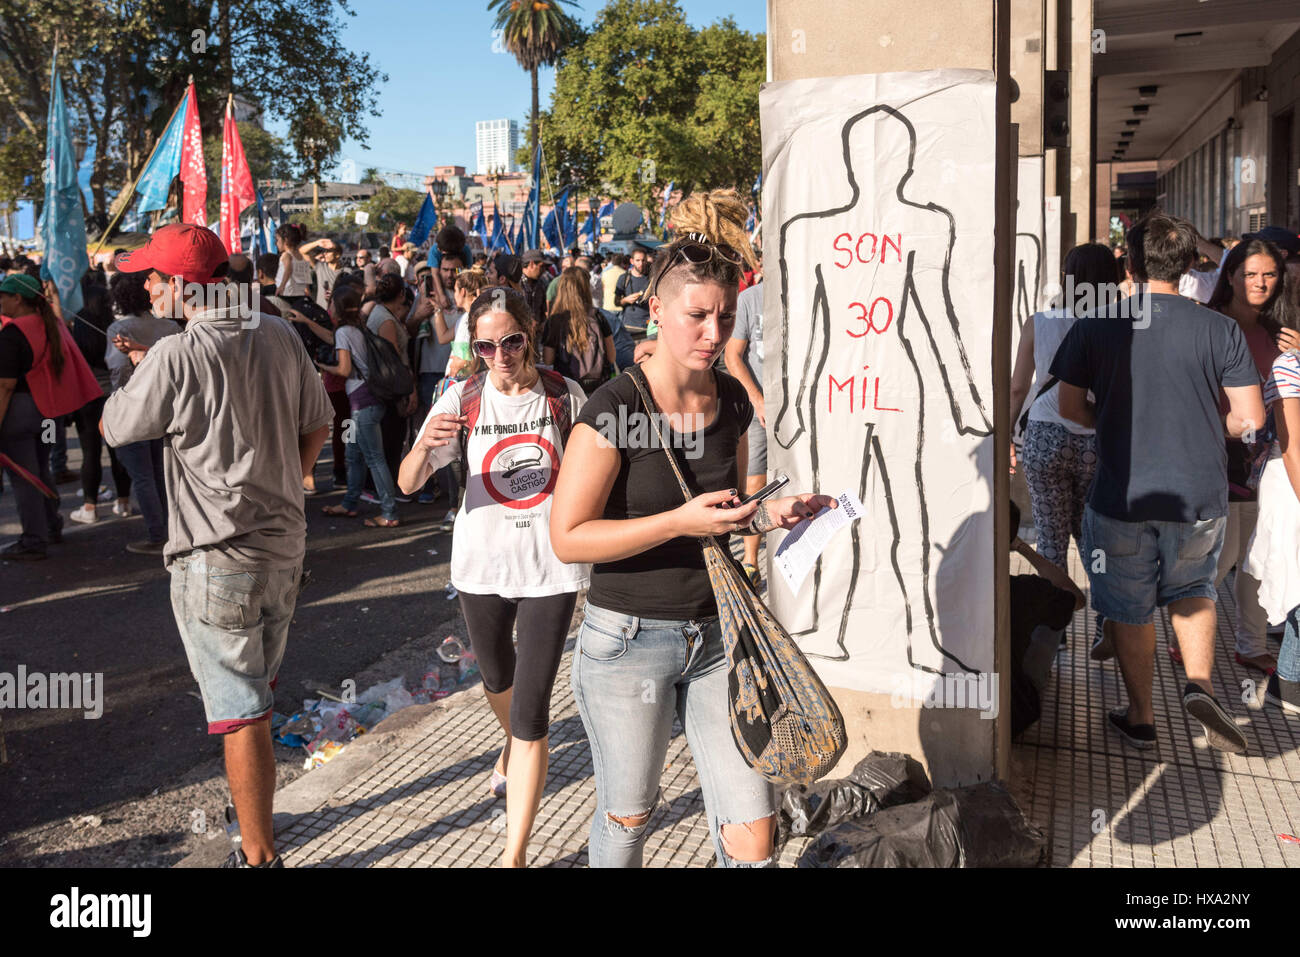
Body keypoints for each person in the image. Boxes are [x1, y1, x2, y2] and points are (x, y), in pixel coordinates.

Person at [549, 188, 836, 868]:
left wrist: (770, 512)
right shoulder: (615, 407)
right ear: (656, 310)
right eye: (698, 315)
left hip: (719, 637)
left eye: (726, 316)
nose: (714, 332)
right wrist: (677, 519)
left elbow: (729, 506)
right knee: (629, 815)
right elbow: (568, 536)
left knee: (753, 827)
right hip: (626, 642)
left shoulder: (732, 398)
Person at [102, 224, 331, 867]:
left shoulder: (179, 354)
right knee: (256, 695)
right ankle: (255, 812)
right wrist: (289, 478)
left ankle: (257, 853)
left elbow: (114, 426)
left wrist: (144, 367)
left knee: (241, 710)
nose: (144, 286)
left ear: (180, 287)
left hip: (218, 556)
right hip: (284, 545)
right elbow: (317, 422)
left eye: (151, 277)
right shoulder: (278, 333)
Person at [1051, 213, 1265, 754]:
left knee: (1127, 606)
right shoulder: (1221, 329)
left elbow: (1068, 407)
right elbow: (1249, 418)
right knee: (1194, 589)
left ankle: (1142, 717)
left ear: (1133, 264)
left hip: (1122, 492)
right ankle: (1200, 686)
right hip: (1200, 492)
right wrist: (1205, 426)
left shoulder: (1096, 325)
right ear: (1192, 264)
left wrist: (1111, 421)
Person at [398, 286, 588, 868]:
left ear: (530, 335)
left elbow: (596, 473)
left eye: (511, 341)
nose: (500, 355)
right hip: (480, 565)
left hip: (550, 569)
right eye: (486, 346)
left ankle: (515, 854)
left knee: (531, 716)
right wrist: (424, 447)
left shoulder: (564, 395)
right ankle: (510, 744)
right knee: (495, 679)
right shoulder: (461, 398)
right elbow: (407, 484)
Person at [1195, 239, 1300, 674]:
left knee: (1256, 554)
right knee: (1223, 553)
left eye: (1269, 274)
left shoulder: (1282, 330)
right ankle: (1187, 631)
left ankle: (1252, 644)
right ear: (1231, 275)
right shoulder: (1208, 323)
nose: (1260, 283)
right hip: (1214, 451)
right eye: (1250, 274)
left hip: (1269, 458)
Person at [1008, 243, 1111, 570]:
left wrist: (1007, 437)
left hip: (1045, 438)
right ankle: (1107, 615)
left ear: (1067, 279)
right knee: (1095, 540)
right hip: (1099, 440)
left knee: (1051, 541)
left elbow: (1017, 388)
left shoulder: (1038, 322)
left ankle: (1053, 619)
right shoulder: (1122, 325)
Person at [0, 274, 102, 559]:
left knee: (25, 478)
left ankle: (34, 539)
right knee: (42, 468)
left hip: (20, 414)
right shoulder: (51, 323)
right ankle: (51, 525)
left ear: (17, 298)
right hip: (49, 415)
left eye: (2, 296)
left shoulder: (13, 333)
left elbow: (5, 386)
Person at [1241, 317, 1300, 714]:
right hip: (1291, 481)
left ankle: (1289, 681)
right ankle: (1289, 684)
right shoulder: (1288, 366)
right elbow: (1292, 444)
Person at [105, 271, 182, 551]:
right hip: (167, 405)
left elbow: (117, 370)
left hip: (134, 404)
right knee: (161, 471)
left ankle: (157, 533)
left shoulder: (119, 329)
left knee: (142, 474)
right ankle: (171, 528)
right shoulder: (171, 325)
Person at [318, 284, 401, 527]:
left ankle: (389, 512)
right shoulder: (359, 327)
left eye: (331, 302)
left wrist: (323, 367)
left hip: (362, 404)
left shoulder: (344, 332)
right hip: (363, 402)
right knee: (353, 454)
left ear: (338, 307)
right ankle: (349, 503)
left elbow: (344, 369)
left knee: (374, 458)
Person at [68, 272, 132, 526]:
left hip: (88, 396)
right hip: (114, 395)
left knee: (90, 453)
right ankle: (124, 501)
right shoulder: (114, 326)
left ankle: (90, 506)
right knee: (118, 451)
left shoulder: (79, 326)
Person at [724, 275, 766, 586]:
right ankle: (751, 561)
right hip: (760, 408)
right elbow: (733, 356)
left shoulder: (807, 289)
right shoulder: (751, 298)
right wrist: (758, 400)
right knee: (755, 479)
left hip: (802, 407)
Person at [543, 266, 615, 395]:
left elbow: (548, 360)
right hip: (598, 387)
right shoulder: (597, 316)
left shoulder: (554, 321)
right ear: (585, 288)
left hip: (567, 387)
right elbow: (611, 356)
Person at [615, 246, 651, 335]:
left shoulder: (651, 278)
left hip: (648, 326)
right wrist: (625, 300)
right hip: (629, 326)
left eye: (643, 260)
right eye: (638, 260)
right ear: (632, 261)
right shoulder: (624, 278)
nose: (641, 263)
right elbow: (616, 302)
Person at [519, 249, 550, 329]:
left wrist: (543, 322)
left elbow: (543, 309)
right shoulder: (516, 283)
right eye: (541, 266)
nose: (544, 270)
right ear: (532, 264)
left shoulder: (541, 283)